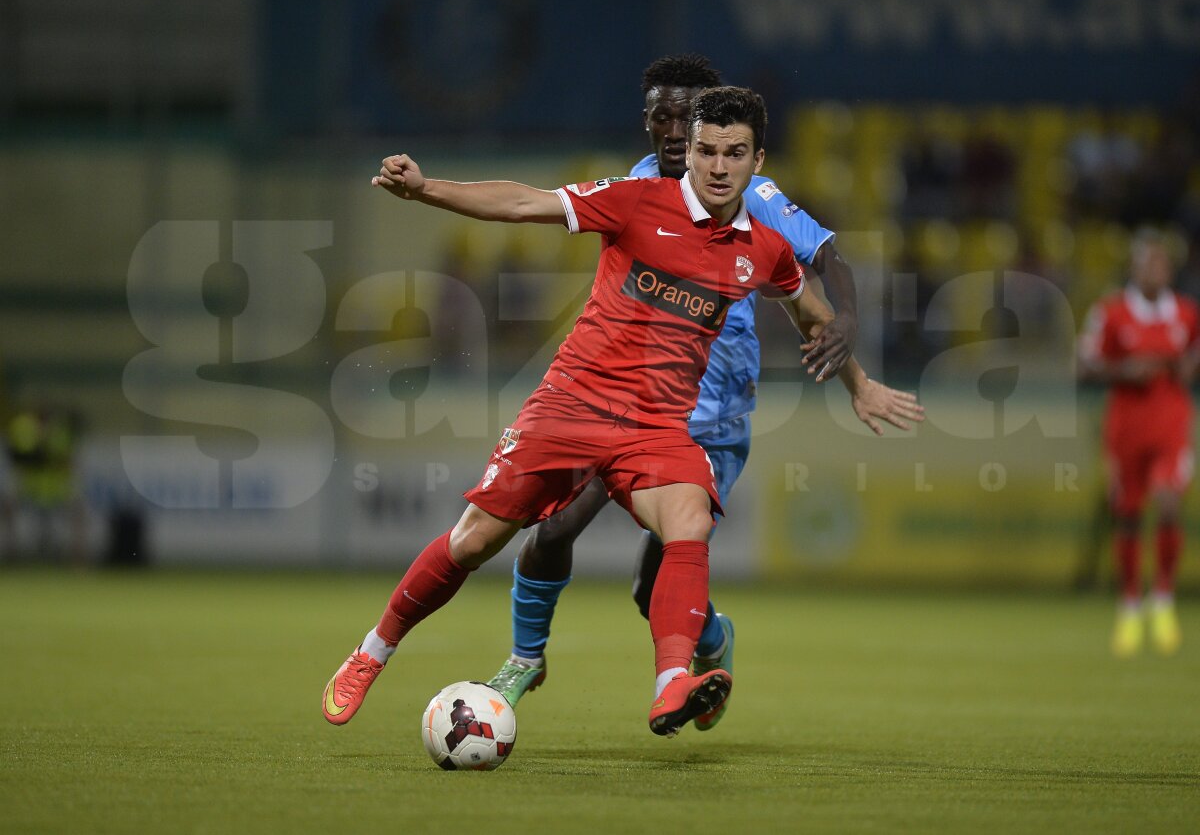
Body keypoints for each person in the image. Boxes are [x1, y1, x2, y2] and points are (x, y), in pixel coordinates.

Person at [324, 87, 924, 736]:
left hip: (656, 428)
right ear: (688, 154)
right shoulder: (638, 201)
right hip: (573, 407)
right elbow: (526, 202)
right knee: (475, 539)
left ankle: (672, 685)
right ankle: (370, 653)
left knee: (688, 517)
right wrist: (425, 189)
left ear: (758, 161)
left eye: (735, 153)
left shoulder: (764, 249)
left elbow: (811, 312)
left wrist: (858, 382)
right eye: (707, 151)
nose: (720, 166)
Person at [486, 55, 859, 727]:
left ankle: (710, 649)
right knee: (552, 526)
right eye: (663, 114)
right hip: (628, 404)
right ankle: (524, 660)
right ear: (651, 120)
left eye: (689, 116)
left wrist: (850, 345)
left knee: (649, 587)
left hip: (709, 418)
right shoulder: (633, 186)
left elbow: (821, 264)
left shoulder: (757, 196)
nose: (674, 128)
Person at [1079, 229, 1199, 656]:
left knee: (1168, 502)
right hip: (1126, 427)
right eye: (1148, 263)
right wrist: (1126, 371)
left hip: (1171, 424)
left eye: (1162, 264)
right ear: (1134, 267)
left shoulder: (1186, 313)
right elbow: (1085, 365)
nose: (1155, 271)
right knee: (1128, 515)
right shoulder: (1111, 312)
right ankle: (1129, 605)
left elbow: (1194, 352)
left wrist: (1188, 366)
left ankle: (1162, 598)